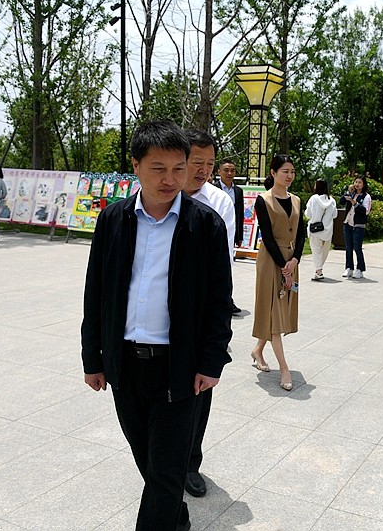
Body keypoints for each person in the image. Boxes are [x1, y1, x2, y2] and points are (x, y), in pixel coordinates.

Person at [81, 120, 233, 531]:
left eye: (179, 168)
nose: (171, 179)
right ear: (135, 165)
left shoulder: (205, 225)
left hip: (178, 366)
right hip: (125, 363)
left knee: (166, 474)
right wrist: (92, 357)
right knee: (150, 463)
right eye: (158, 168)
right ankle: (176, 521)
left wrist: (212, 361)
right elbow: (96, 292)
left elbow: (219, 301)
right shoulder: (113, 219)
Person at [181, 128, 237, 499]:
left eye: (210, 163)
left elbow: (223, 267)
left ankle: (190, 463)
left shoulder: (218, 202)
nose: (203, 170)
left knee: (199, 390)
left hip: (199, 312)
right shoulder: (155, 196)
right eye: (197, 162)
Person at [251, 154, 304, 391]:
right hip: (271, 261)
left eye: (292, 171)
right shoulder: (263, 200)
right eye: (285, 171)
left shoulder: (297, 200)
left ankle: (258, 350)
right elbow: (268, 237)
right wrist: (285, 267)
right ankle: (284, 368)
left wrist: (294, 261)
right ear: (273, 173)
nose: (289, 175)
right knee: (273, 312)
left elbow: (301, 234)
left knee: (279, 310)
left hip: (291, 260)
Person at [304, 179, 337, 280]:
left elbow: (308, 214)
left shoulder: (313, 199)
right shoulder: (332, 200)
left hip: (315, 229)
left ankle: (319, 271)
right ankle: (319, 270)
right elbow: (335, 215)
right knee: (324, 251)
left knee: (316, 250)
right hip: (327, 230)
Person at [340, 174, 371, 279]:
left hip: (358, 225)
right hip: (348, 223)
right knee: (348, 248)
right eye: (356, 182)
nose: (357, 184)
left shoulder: (366, 197)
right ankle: (349, 268)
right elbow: (341, 201)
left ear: (364, 184)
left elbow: (365, 211)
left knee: (357, 248)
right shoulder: (351, 194)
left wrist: (355, 203)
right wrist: (348, 193)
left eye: (359, 182)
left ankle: (360, 269)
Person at [215, 158, 244, 249]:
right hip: (216, 230)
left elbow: (240, 214)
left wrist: (240, 236)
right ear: (219, 172)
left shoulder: (238, 191)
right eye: (226, 170)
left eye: (232, 170)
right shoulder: (213, 189)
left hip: (232, 231)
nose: (229, 173)